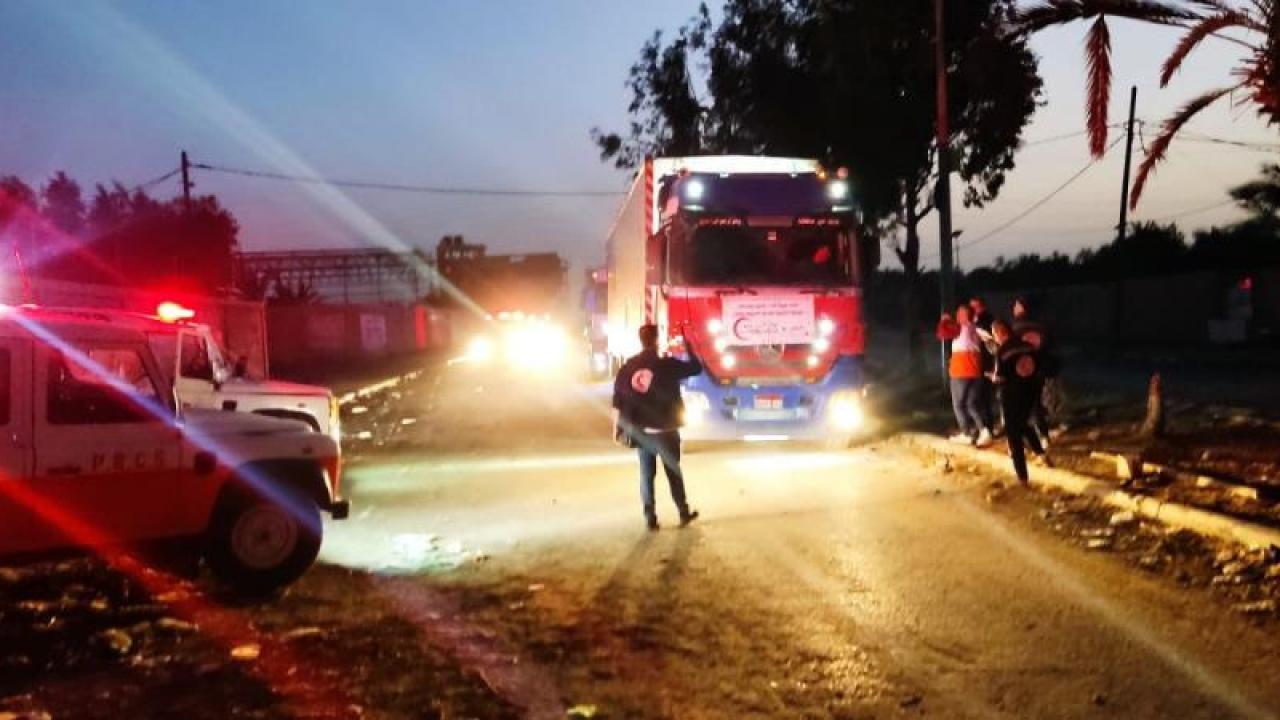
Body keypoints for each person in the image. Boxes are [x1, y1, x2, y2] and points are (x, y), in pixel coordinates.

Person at [612, 324, 702, 531]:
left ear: (640, 340)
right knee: (673, 472)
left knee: (646, 475)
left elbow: (617, 400)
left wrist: (617, 430)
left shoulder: (627, 368)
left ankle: (650, 518)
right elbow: (696, 368)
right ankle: (683, 512)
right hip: (666, 430)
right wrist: (689, 348)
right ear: (656, 340)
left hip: (642, 432)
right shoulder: (667, 365)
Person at [991, 319, 1050, 484]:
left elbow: (1001, 377)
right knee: (1023, 424)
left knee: (1014, 434)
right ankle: (1041, 454)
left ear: (1001, 332)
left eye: (994, 334)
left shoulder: (1002, 351)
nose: (994, 338)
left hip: (1012, 395)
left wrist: (995, 378)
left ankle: (1022, 477)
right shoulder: (1028, 347)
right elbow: (1038, 368)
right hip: (1030, 392)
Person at [936, 305, 993, 447]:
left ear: (963, 315)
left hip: (961, 371)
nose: (957, 316)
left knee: (958, 404)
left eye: (959, 313)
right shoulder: (976, 329)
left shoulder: (960, 327)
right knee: (972, 403)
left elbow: (941, 333)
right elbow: (991, 342)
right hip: (976, 372)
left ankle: (967, 433)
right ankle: (984, 431)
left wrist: (944, 321)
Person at [1012, 296, 1065, 437]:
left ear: (1023, 307)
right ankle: (1044, 427)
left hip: (1027, 368)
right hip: (1042, 366)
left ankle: (1038, 430)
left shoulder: (1018, 325)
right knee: (1039, 400)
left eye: (1016, 306)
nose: (1014, 308)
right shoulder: (1041, 324)